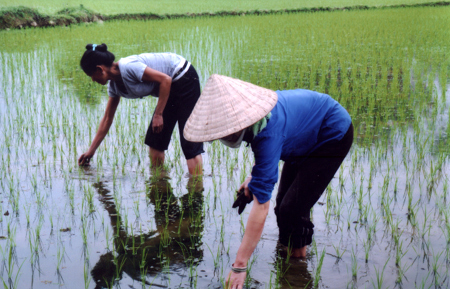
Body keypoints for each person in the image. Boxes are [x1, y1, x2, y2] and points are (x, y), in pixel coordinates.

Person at [183, 74, 353, 289]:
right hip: (302, 137)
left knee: (292, 209)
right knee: (284, 204)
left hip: (332, 134)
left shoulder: (267, 131)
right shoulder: (260, 124)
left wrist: (240, 266)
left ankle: (297, 274)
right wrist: (254, 180)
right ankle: (291, 259)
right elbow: (269, 155)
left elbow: (261, 205)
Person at [78, 43, 203, 175]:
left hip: (184, 76)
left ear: (100, 69)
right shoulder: (114, 86)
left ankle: (196, 190)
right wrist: (91, 151)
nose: (92, 80)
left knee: (189, 140)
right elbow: (107, 119)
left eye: (91, 75)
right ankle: (159, 183)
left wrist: (158, 115)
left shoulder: (129, 67)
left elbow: (165, 80)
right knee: (156, 141)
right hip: (168, 88)